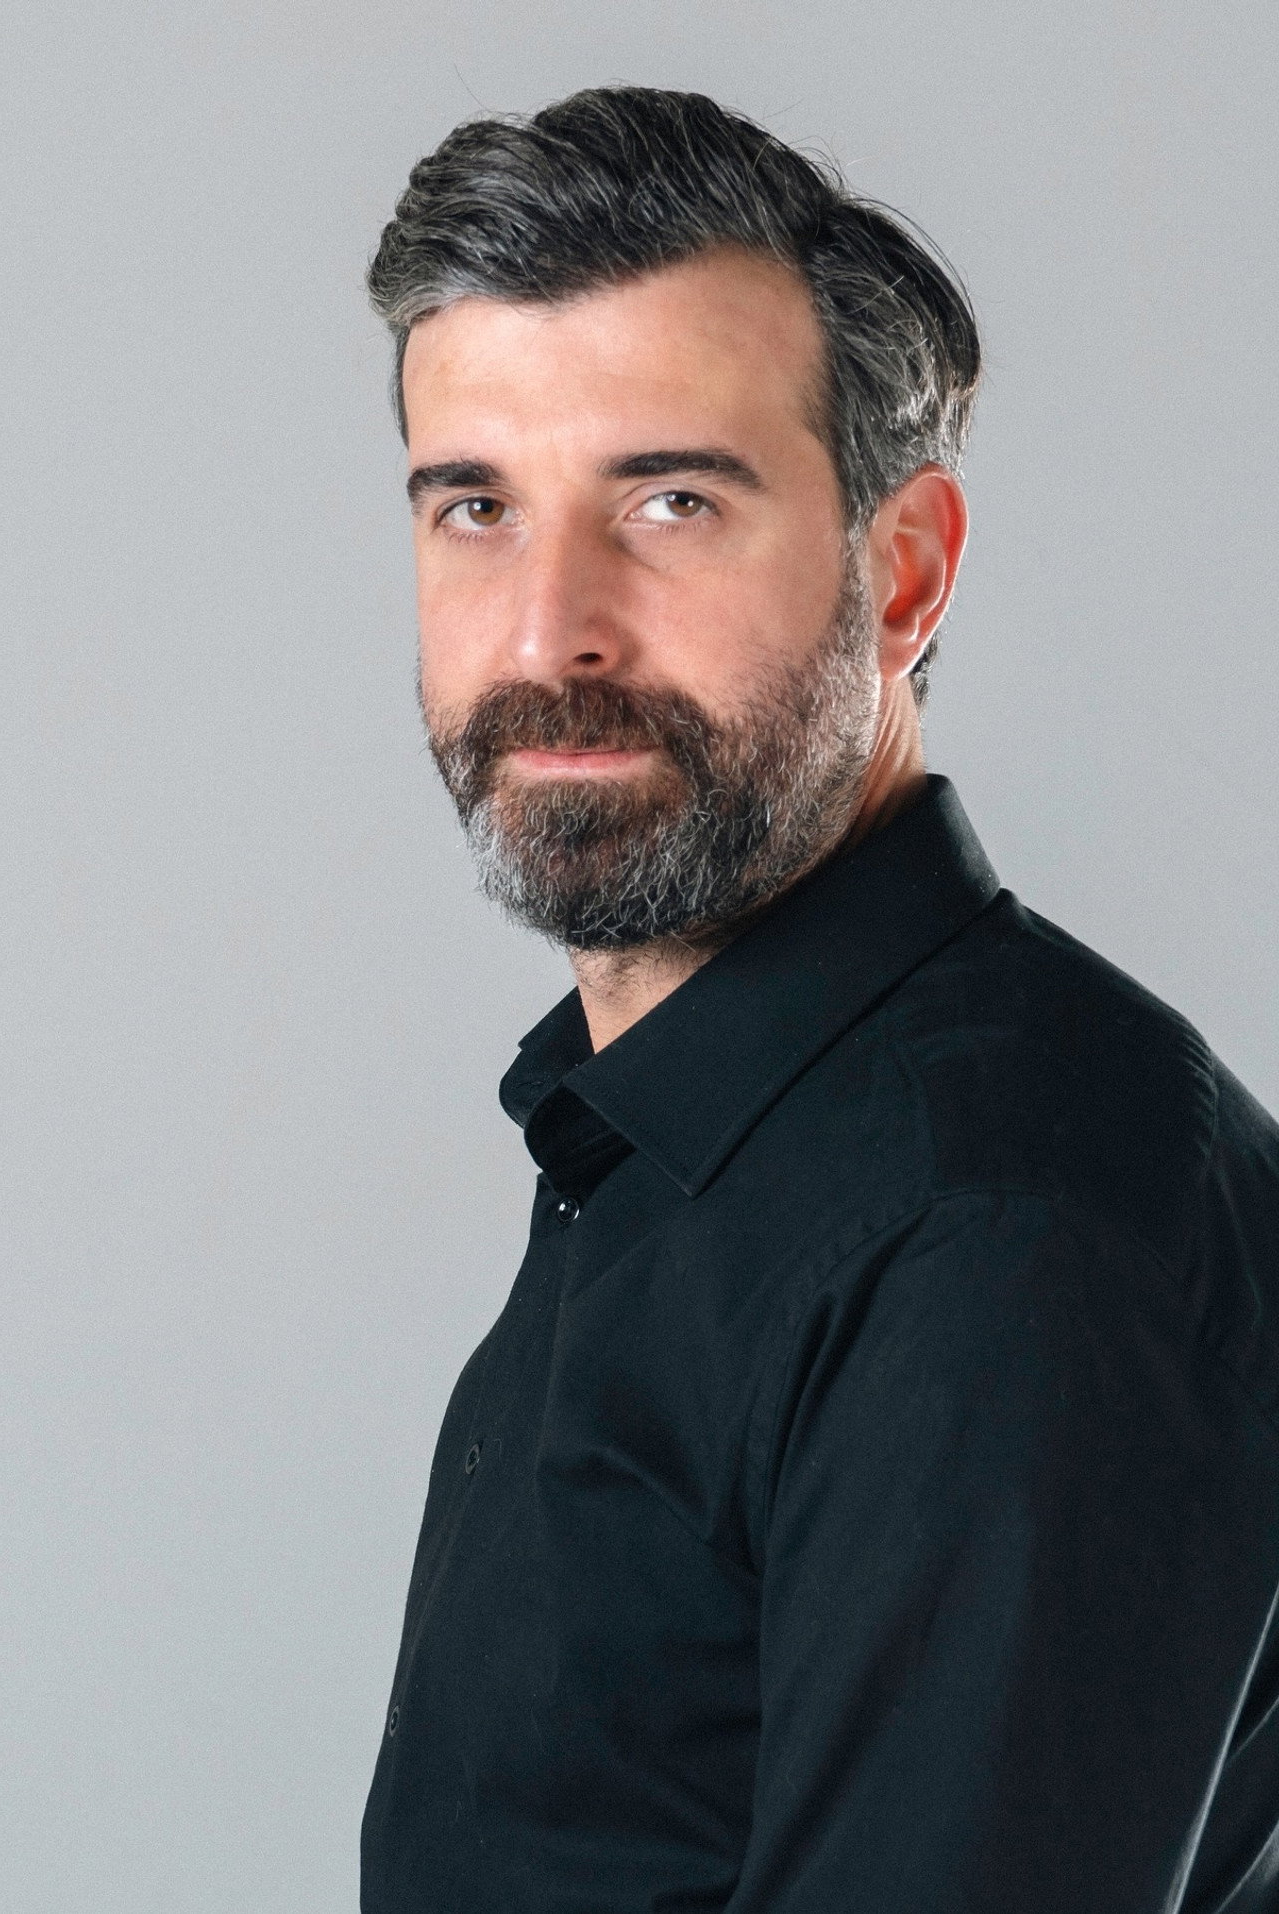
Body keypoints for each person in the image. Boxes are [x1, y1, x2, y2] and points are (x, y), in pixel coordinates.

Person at [359, 86, 1279, 1913]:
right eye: (476, 505)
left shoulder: (998, 1216)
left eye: (671, 501)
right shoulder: (675, 1135)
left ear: (903, 570)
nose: (548, 629)